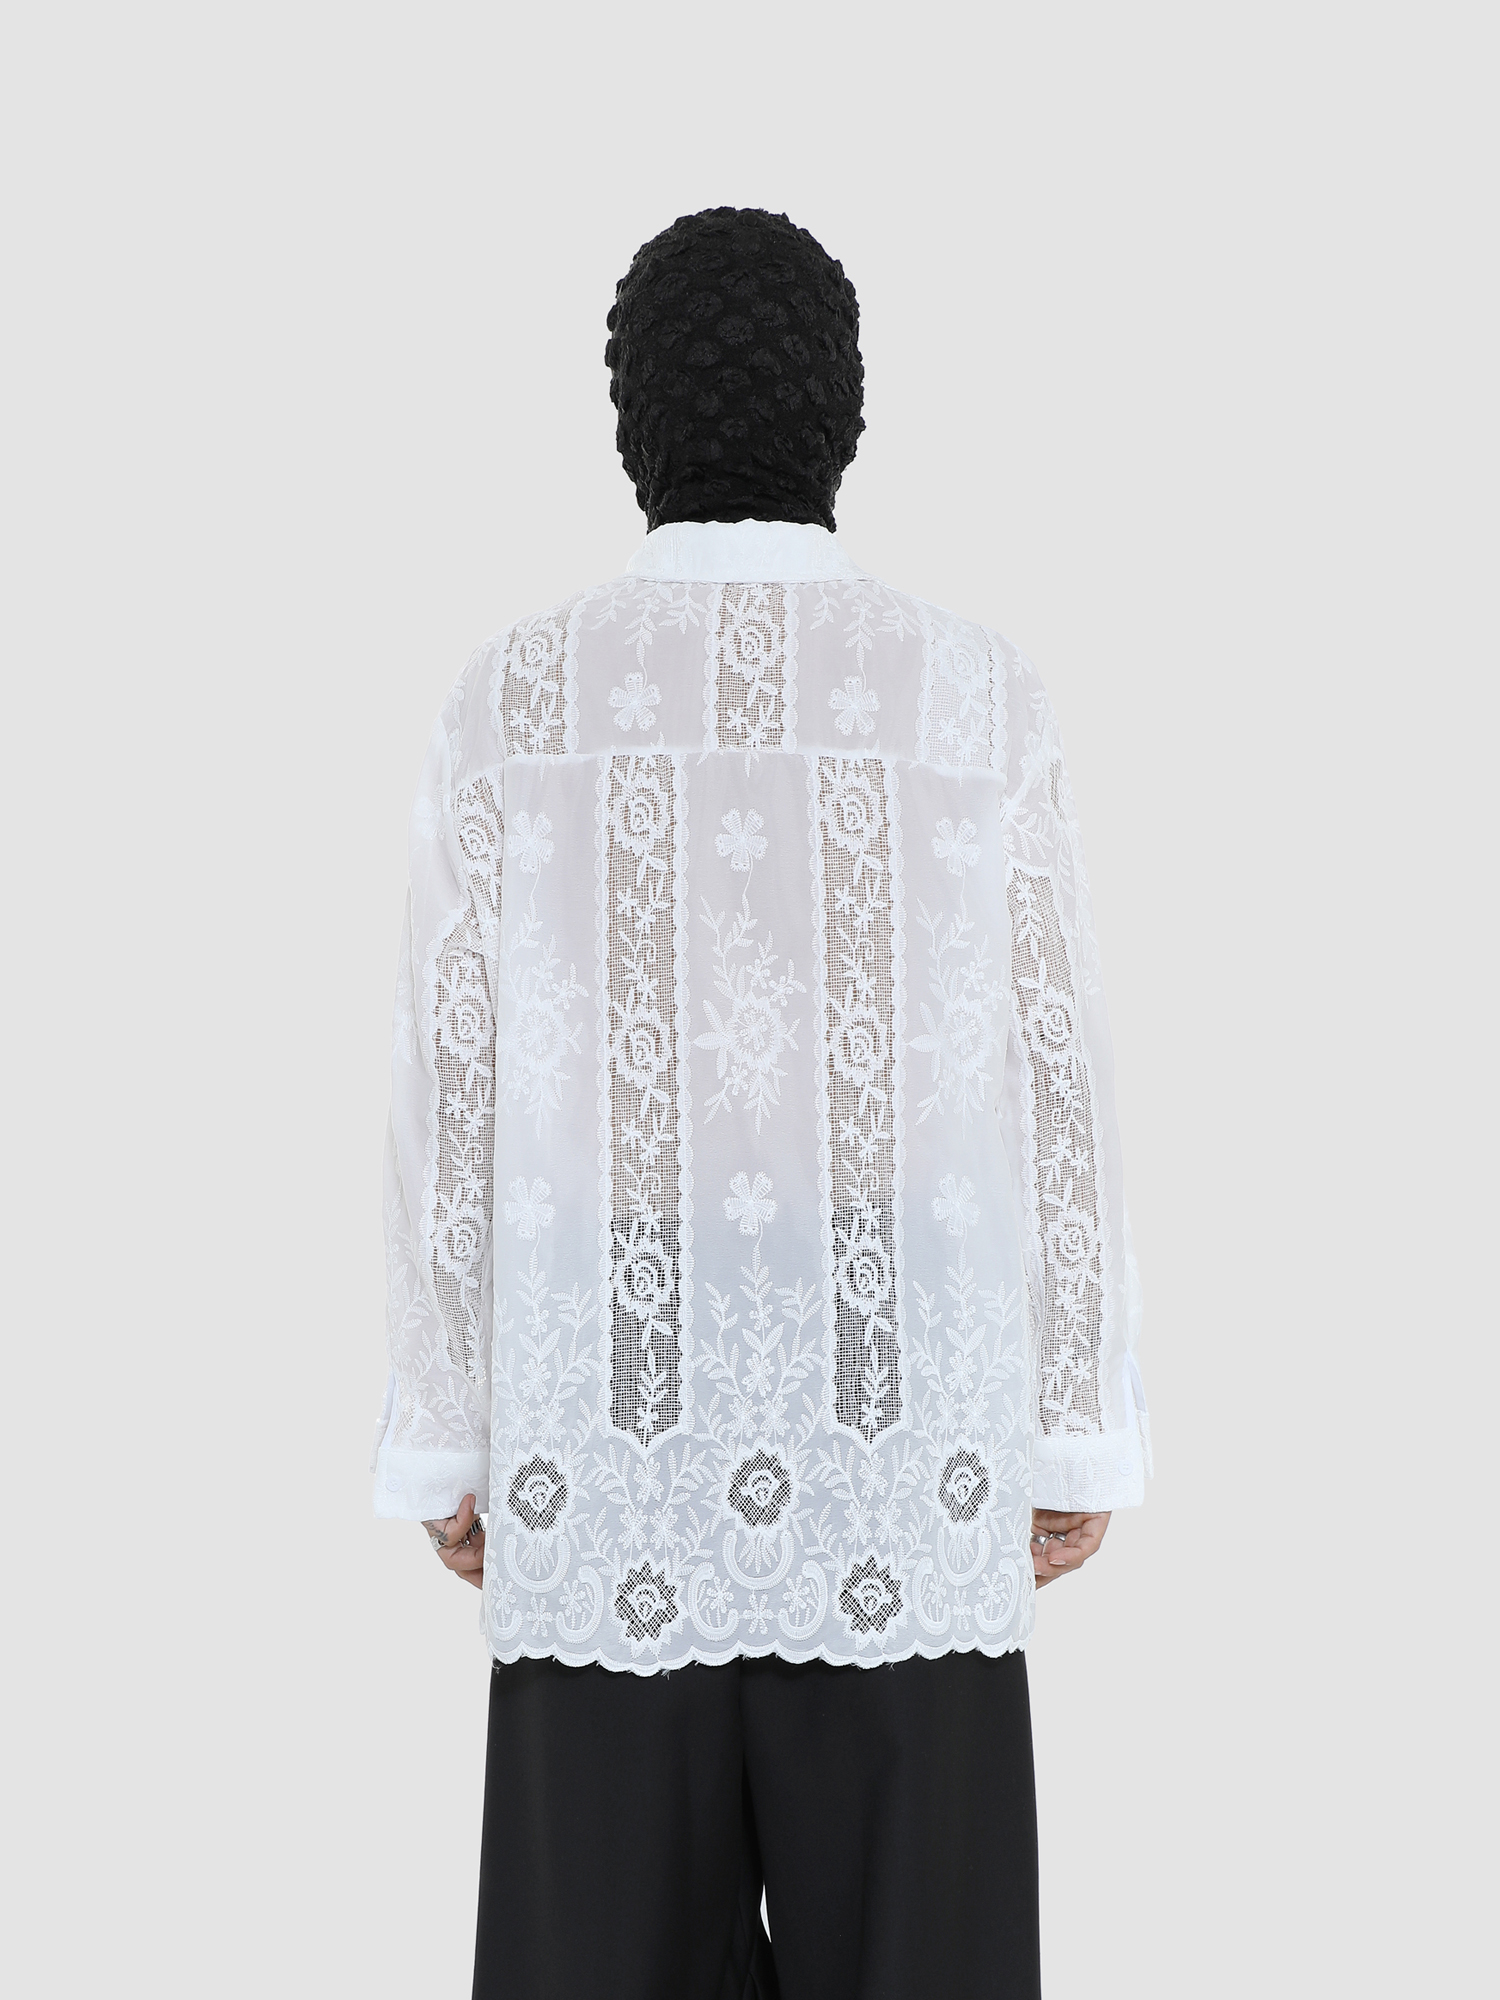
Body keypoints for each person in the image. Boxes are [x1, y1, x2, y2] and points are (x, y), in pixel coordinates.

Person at [371, 206, 1150, 2000]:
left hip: (600, 1428)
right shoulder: (976, 693)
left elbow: (447, 1083)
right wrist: (1072, 1424)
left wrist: (450, 1428)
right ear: (845, 416)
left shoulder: (516, 696)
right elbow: (1060, 1069)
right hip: (908, 1438)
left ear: (631, 421)